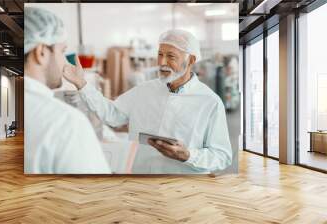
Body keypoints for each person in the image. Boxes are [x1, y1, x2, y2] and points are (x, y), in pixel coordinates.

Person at [64, 29, 232, 174]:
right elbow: (112, 115)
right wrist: (82, 83)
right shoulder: (144, 90)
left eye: (171, 56)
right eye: (160, 54)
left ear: (191, 60)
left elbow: (222, 156)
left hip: (184, 187)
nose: (162, 62)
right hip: (142, 180)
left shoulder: (209, 102)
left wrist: (188, 155)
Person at [24, 7, 110, 174]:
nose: (65, 62)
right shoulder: (66, 123)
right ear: (41, 52)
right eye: (62, 51)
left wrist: (81, 83)